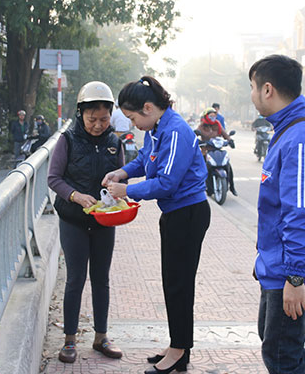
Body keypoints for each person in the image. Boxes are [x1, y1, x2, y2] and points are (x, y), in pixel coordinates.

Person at [102, 76, 210, 374]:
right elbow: (146, 162)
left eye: (133, 117)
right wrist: (121, 172)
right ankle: (179, 345)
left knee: (178, 284)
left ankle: (179, 350)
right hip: (175, 215)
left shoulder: (175, 131)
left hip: (188, 214)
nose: (133, 124)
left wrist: (127, 191)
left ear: (148, 107)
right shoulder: (157, 129)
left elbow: (166, 182)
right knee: (173, 282)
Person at [249, 54, 305, 374]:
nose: (252, 95)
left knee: (282, 354)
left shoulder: (299, 138)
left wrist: (295, 276)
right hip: (280, 265)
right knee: (281, 347)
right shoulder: (289, 130)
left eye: (253, 87)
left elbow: (301, 213)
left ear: (268, 89)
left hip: (294, 271)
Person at [47, 81, 124, 364]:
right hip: (73, 220)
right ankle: (69, 340)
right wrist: (76, 196)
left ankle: (101, 336)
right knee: (76, 278)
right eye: (92, 119)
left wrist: (119, 189)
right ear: (81, 113)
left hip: (104, 220)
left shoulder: (115, 143)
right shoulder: (66, 140)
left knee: (101, 278)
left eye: (104, 119)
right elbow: (54, 179)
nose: (98, 125)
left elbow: (122, 176)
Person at [196, 107, 237, 196]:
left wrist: (230, 140)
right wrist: (197, 140)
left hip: (218, 150)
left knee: (228, 166)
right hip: (206, 150)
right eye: (211, 116)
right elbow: (196, 133)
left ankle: (232, 187)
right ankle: (203, 187)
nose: (213, 118)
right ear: (206, 116)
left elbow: (225, 134)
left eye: (214, 116)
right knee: (202, 169)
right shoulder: (202, 126)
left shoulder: (217, 124)